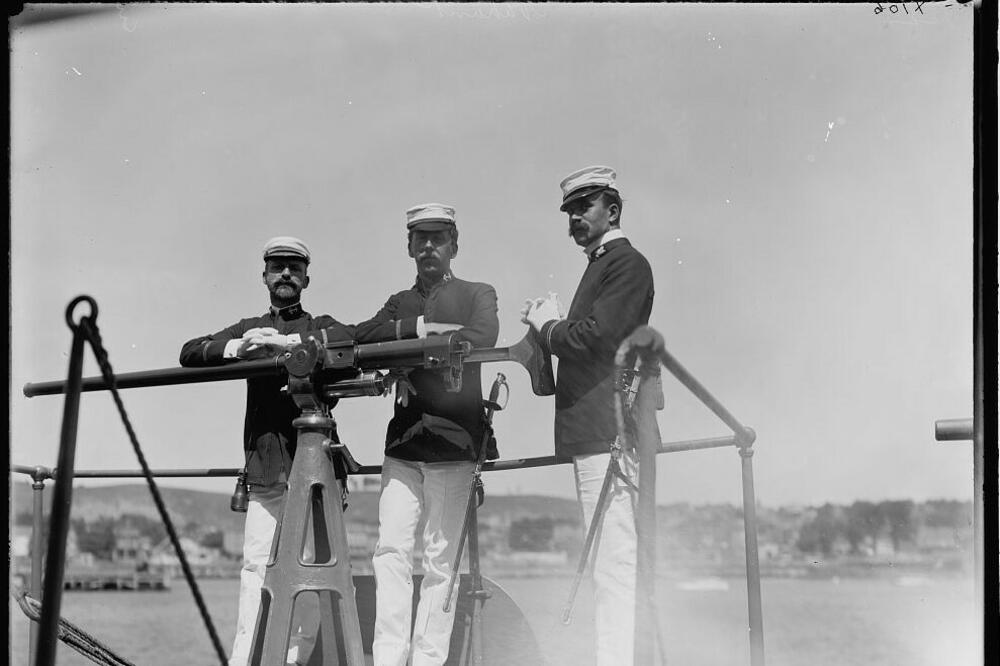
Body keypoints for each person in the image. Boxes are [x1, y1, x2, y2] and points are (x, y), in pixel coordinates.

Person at [179, 236, 354, 666]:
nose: (286, 275)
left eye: (294, 268)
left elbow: (348, 346)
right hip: (265, 469)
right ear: (264, 276)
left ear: (306, 278)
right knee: (254, 569)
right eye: (277, 267)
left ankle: (292, 659)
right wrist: (238, 348)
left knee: (308, 570)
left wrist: (291, 347)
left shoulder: (320, 326)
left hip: (312, 473)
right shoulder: (247, 329)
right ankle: (245, 659)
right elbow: (190, 353)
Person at [521, 166, 655, 666]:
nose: (575, 217)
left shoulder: (626, 264)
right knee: (608, 561)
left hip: (609, 431)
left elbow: (597, 339)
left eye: (585, 207)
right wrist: (558, 322)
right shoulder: (603, 264)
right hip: (596, 434)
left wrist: (550, 325)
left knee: (613, 564)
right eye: (571, 211)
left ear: (612, 210)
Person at [355, 203, 499, 666]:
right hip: (404, 447)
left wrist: (406, 352)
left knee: (440, 564)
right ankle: (388, 659)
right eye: (422, 239)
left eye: (439, 238)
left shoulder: (479, 292)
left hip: (454, 445)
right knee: (391, 552)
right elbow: (366, 338)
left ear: (454, 245)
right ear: (410, 247)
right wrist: (425, 329)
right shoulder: (401, 303)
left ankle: (428, 661)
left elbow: (482, 333)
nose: (430, 247)